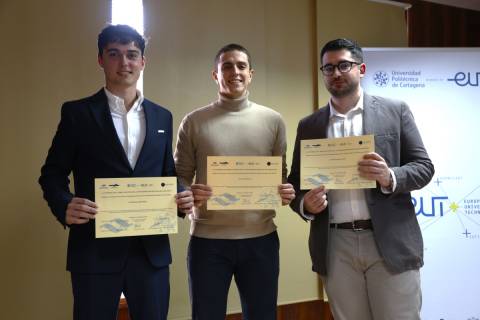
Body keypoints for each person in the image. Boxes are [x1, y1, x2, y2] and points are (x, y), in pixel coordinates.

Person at [38, 24, 193, 320]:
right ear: (100, 59)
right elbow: (52, 174)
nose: (125, 63)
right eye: (115, 54)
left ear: (143, 62)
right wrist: (64, 203)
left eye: (132, 55)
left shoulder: (163, 116)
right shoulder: (77, 114)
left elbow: (167, 175)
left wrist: (182, 195)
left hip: (151, 253)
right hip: (94, 251)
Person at [287, 38, 434, 320]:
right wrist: (306, 203)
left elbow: (424, 167)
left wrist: (389, 175)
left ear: (361, 68)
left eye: (344, 65)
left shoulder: (395, 110)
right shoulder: (310, 125)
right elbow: (295, 183)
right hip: (335, 245)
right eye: (328, 68)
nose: (336, 73)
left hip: (388, 241)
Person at [174, 43, 295, 320]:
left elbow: (280, 176)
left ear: (250, 74)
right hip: (207, 242)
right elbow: (180, 176)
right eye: (226, 66)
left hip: (261, 240)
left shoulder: (273, 120)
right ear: (215, 75)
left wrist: (285, 191)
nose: (234, 71)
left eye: (241, 66)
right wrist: (188, 193)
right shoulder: (193, 121)